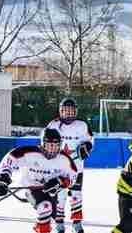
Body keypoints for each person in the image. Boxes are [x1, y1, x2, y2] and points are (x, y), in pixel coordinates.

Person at [0, 128, 78, 233]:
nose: (52, 149)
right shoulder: (29, 153)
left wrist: (59, 182)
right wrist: (4, 177)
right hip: (31, 187)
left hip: (52, 191)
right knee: (45, 208)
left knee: (52, 213)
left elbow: (73, 177)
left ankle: (40, 227)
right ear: (42, 144)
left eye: (56, 145)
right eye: (49, 145)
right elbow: (9, 158)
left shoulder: (64, 160)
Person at [45, 97, 94, 233]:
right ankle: (59, 223)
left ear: (76, 111)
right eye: (66, 111)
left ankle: (77, 223)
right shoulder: (53, 125)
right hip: (58, 167)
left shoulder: (82, 125)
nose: (69, 114)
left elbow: (91, 140)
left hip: (77, 167)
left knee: (76, 194)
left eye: (71, 111)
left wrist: (87, 146)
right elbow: (44, 141)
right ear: (60, 111)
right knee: (60, 194)